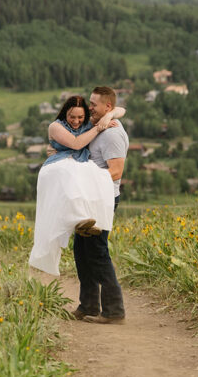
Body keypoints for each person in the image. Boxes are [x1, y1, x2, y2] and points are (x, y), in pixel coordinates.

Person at [28, 95, 123, 275]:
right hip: (58, 165)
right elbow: (76, 143)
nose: (77, 121)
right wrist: (98, 128)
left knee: (87, 176)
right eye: (72, 117)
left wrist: (107, 117)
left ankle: (84, 220)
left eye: (80, 117)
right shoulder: (55, 126)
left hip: (78, 164)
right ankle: (79, 220)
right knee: (73, 177)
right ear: (65, 112)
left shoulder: (89, 123)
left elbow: (121, 110)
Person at [73, 85, 128, 324]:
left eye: (94, 104)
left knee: (97, 253)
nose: (89, 107)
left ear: (107, 106)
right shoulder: (101, 126)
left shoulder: (113, 133)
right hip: (89, 199)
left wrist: (85, 179)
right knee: (82, 252)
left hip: (102, 199)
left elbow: (115, 172)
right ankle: (89, 306)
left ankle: (114, 311)